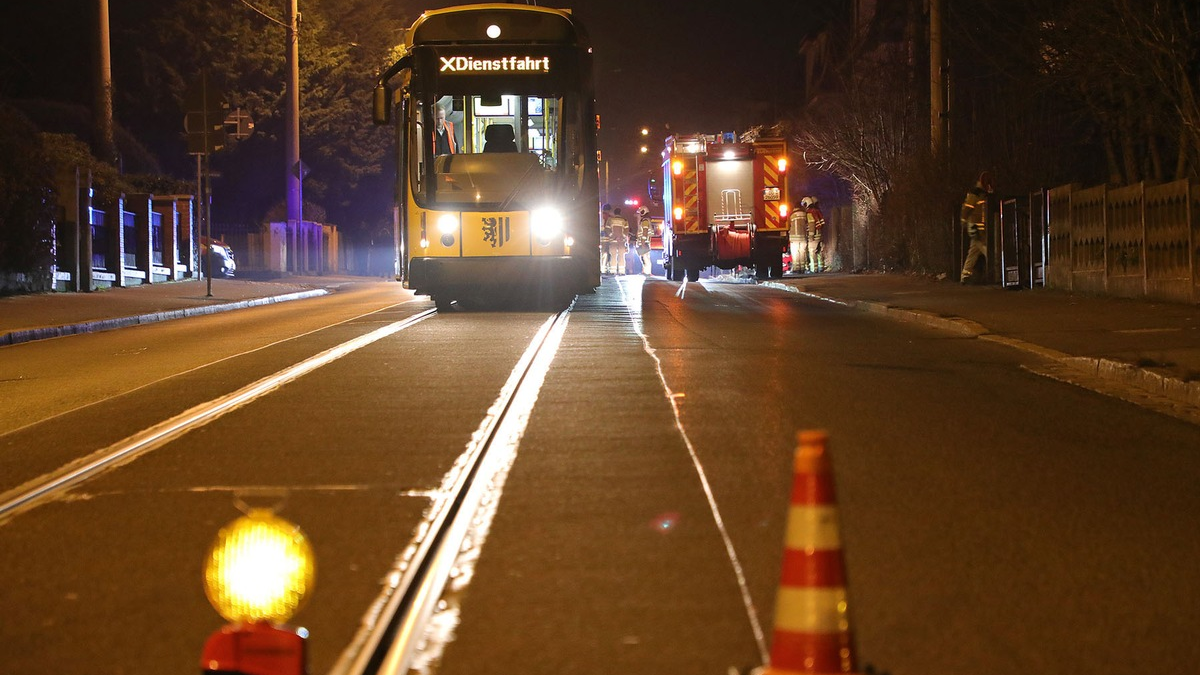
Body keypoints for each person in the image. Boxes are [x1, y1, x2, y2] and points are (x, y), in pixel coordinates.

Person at [960, 171, 993, 284]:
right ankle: (996, 269)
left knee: (973, 251)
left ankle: (965, 275)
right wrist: (964, 220)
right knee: (987, 248)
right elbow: (967, 208)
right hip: (975, 227)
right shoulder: (976, 193)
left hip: (978, 227)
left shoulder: (982, 193)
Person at [800, 196, 826, 273]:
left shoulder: (809, 213)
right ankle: (821, 267)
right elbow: (822, 223)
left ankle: (814, 268)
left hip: (814, 236)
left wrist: (811, 236)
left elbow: (811, 225)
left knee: (812, 251)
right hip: (819, 234)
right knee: (819, 251)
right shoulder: (817, 211)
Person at [605, 206, 629, 275]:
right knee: (621, 256)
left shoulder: (610, 220)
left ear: (614, 213)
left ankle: (613, 271)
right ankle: (622, 271)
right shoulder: (624, 220)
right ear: (620, 213)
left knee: (613, 255)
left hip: (613, 241)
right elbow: (626, 230)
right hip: (621, 241)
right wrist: (621, 237)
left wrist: (612, 236)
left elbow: (607, 229)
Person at [634, 207, 653, 275]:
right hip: (644, 241)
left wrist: (643, 242)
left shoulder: (645, 221)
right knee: (644, 257)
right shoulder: (644, 220)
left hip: (644, 242)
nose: (638, 215)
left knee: (645, 257)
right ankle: (645, 271)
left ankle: (647, 271)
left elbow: (645, 231)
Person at [599, 203, 613, 273]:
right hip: (607, 238)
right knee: (606, 253)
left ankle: (602, 268)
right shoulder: (610, 217)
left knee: (602, 253)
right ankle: (604, 268)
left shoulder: (599, 215)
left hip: (600, 237)